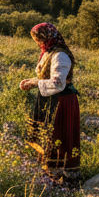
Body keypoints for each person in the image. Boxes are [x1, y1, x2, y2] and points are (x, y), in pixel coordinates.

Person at [19, 22, 80, 185]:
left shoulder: (60, 55)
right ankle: (47, 169)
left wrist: (34, 84)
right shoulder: (48, 52)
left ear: (48, 37)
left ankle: (62, 175)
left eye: (39, 39)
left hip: (61, 101)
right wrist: (31, 81)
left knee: (58, 135)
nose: (38, 43)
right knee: (45, 132)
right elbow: (45, 78)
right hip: (49, 99)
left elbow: (58, 83)